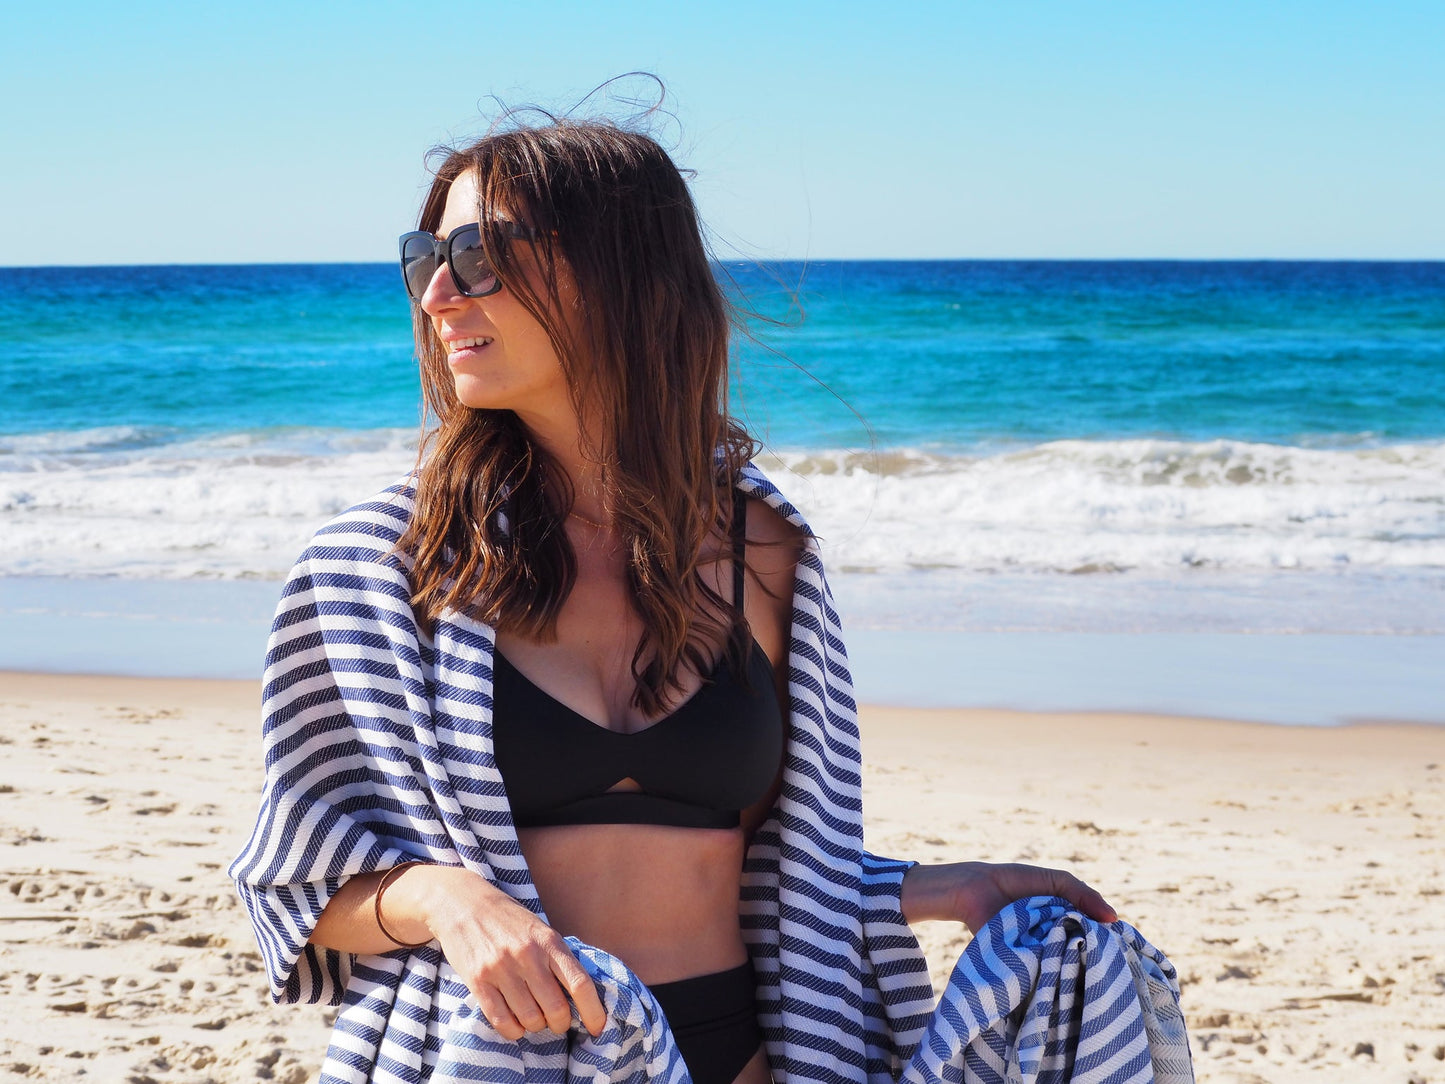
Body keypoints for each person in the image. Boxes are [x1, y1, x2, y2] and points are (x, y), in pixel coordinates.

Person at [230, 117, 1123, 1084]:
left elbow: (782, 872)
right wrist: (448, 900)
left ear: (624, 274)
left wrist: (946, 887)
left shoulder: (761, 551)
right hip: (505, 1054)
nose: (439, 295)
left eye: (480, 256)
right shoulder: (385, 565)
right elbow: (299, 886)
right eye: (426, 259)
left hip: (743, 1051)